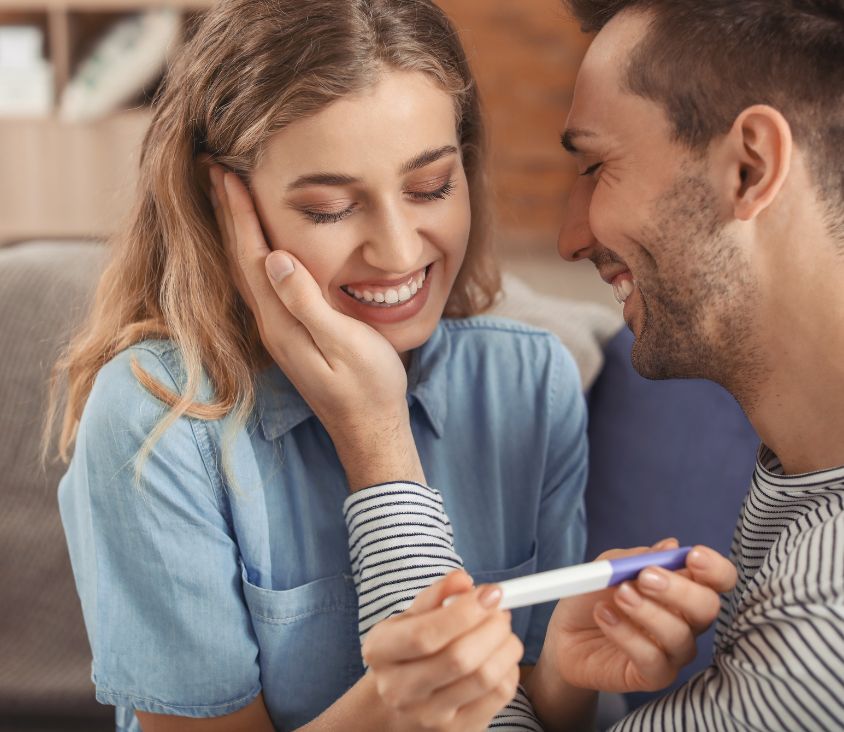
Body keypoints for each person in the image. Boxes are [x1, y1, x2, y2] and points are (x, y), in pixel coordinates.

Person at [285, 0, 842, 730]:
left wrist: (377, 444)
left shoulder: (821, 620)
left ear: (750, 166)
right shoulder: (809, 479)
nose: (569, 237)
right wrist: (560, 681)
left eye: (595, 165)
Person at [53, 0, 587, 730]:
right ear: (225, 205)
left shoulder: (530, 383)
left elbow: (534, 704)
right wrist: (388, 710)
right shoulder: (155, 419)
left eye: (431, 186)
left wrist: (572, 674)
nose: (400, 253)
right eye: (333, 208)